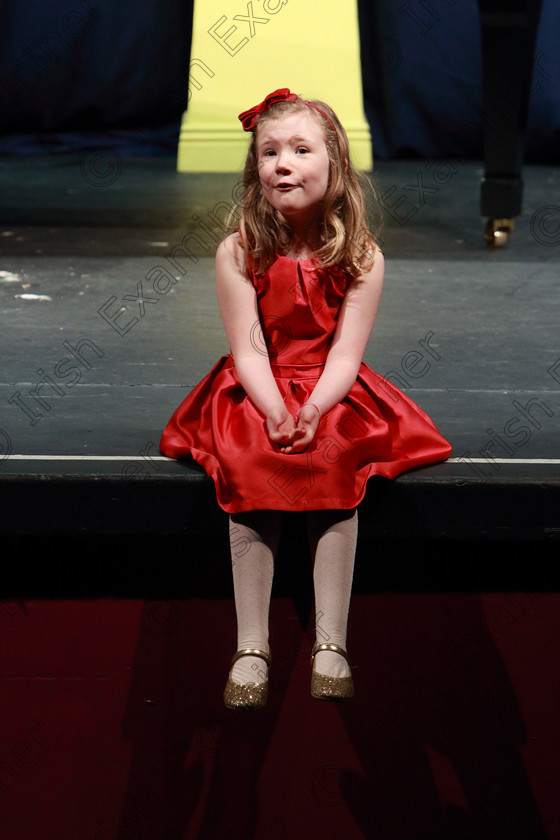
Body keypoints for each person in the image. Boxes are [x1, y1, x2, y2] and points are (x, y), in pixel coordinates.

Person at [160, 88, 452, 710]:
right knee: (250, 461)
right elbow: (249, 352)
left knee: (335, 460)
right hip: (259, 386)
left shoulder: (362, 258)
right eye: (268, 152)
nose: (281, 163)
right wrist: (273, 410)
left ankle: (331, 643)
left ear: (336, 165)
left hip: (330, 387)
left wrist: (315, 409)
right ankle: (251, 644)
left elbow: (345, 355)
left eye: (299, 149)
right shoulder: (239, 252)